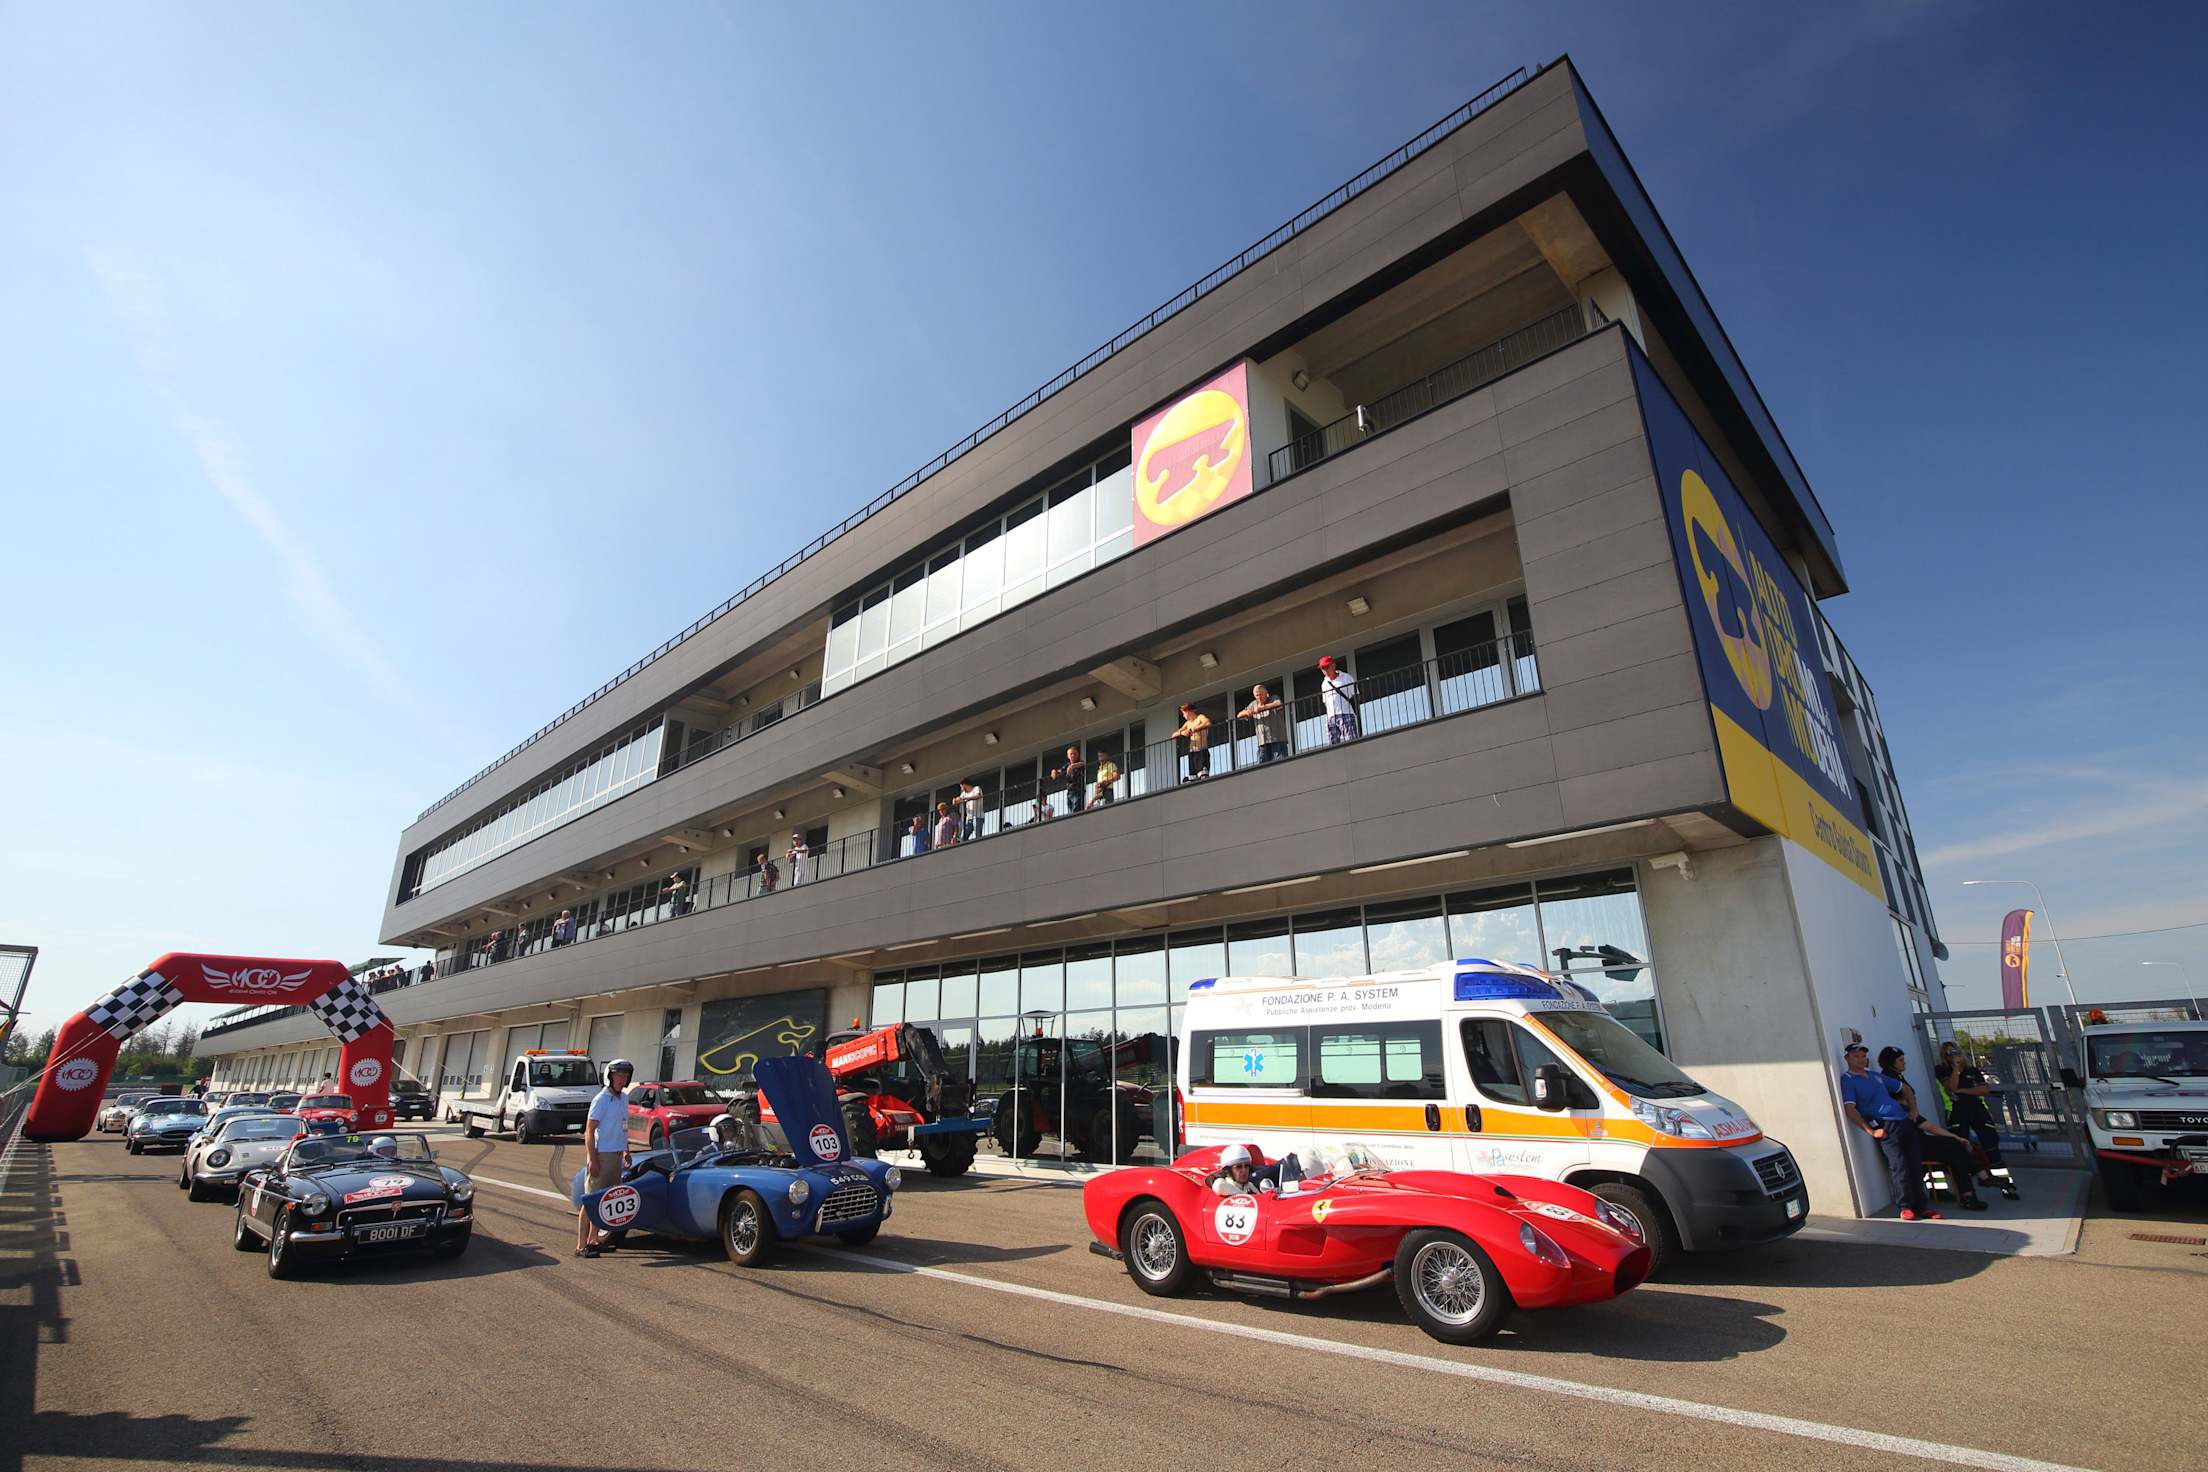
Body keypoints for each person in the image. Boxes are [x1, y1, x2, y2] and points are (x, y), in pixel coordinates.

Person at [1838, 1042, 1938, 1220]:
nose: (1861, 1060)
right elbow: (1850, 1109)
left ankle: (1922, 1206)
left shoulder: (1875, 1076)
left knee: (1915, 1165)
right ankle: (1906, 1207)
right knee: (1899, 1166)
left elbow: (1905, 1089)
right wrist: (1870, 1131)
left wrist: (1913, 1111)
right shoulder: (1848, 1080)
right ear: (1847, 1058)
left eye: (1863, 1056)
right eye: (1856, 1056)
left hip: (1904, 1122)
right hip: (1886, 1125)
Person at [1878, 1047, 1986, 1210]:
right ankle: (1973, 1187)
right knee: (1953, 1147)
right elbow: (1928, 1126)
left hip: (1917, 1137)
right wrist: (1955, 1138)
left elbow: (1926, 1124)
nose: (1904, 1062)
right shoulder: (1895, 1097)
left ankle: (1962, 1190)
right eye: (1900, 1060)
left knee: (1953, 1147)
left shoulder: (1897, 1080)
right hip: (1911, 1142)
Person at [1935, 1041, 2016, 1199]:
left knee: (1991, 1144)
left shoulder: (1972, 1069)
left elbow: (1984, 1090)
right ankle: (1969, 1189)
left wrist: (1963, 1090)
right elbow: (1951, 1087)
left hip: (1978, 1110)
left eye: (1955, 1052)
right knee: (1959, 1147)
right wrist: (1956, 1071)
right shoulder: (1942, 1070)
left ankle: (2007, 1185)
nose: (1954, 1056)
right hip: (1956, 1111)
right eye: (1949, 1053)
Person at [577, 1058, 634, 1258]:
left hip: (617, 1155)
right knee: (590, 1201)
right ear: (609, 1076)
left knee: (605, 1201)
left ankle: (594, 1239)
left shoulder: (624, 1099)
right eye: (619, 1075)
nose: (622, 1079)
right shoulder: (601, 1099)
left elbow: (623, 1126)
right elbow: (589, 1131)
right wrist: (592, 1159)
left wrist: (626, 1150)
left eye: (625, 1076)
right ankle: (581, 1245)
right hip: (602, 1155)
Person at [1239, 684, 1287, 763]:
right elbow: (1239, 715)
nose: (1259, 697)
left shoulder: (1273, 698)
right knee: (1262, 767)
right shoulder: (1253, 704)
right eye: (1257, 695)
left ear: (1266, 693)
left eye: (1261, 694)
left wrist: (1263, 708)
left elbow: (1278, 703)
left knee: (1280, 763)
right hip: (1262, 742)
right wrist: (1247, 712)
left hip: (1278, 739)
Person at [1318, 656, 1360, 744]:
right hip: (1331, 717)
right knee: (1333, 744)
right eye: (1322, 668)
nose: (1325, 670)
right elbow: (1325, 702)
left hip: (1346, 713)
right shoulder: (1324, 684)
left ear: (1333, 665)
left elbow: (1356, 695)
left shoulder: (1346, 677)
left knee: (1352, 741)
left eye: (1327, 667)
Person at [1171, 704, 1213, 780]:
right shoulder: (1187, 724)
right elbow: (1173, 735)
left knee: (1203, 775)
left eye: (1183, 713)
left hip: (1201, 751)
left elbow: (1208, 723)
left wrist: (1194, 729)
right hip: (1192, 753)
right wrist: (1182, 733)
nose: (1183, 716)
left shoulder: (1200, 717)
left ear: (1188, 711)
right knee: (1193, 778)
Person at [1049, 746, 1087, 815]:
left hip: (1078, 791)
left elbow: (1083, 764)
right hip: (1070, 792)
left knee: (1077, 810)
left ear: (1077, 755)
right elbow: (1059, 772)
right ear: (1068, 756)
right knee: (1071, 810)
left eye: (1074, 754)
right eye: (1071, 754)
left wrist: (1072, 766)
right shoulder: (1067, 765)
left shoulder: (1080, 762)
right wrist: (1053, 771)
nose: (1073, 755)